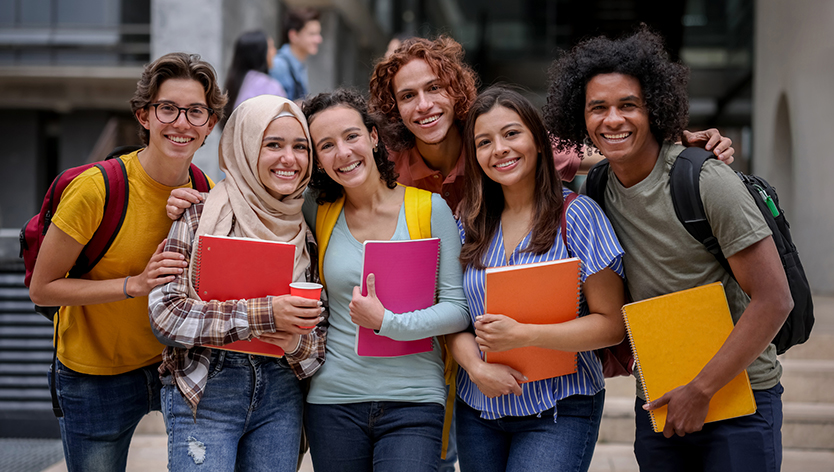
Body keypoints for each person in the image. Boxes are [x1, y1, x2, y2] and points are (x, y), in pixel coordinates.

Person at [544, 27, 792, 472]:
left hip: (737, 398)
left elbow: (775, 299)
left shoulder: (706, 181)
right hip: (659, 397)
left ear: (652, 109)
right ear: (580, 119)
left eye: (628, 106)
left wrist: (702, 390)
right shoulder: (597, 187)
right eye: (597, 108)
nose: (612, 119)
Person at [27, 52, 224, 472]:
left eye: (196, 112)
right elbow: (42, 288)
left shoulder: (205, 189)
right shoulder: (96, 189)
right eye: (168, 108)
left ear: (209, 125)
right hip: (94, 375)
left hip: (173, 367)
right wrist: (132, 284)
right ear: (145, 115)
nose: (182, 122)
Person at [447, 86, 626, 472]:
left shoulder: (578, 216)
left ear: (540, 143)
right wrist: (477, 370)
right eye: (484, 142)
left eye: (512, 133)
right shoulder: (468, 222)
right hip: (479, 406)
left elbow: (611, 325)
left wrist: (526, 335)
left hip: (560, 407)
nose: (499, 149)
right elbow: (451, 316)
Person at [148, 95, 327, 472]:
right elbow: (165, 316)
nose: (289, 159)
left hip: (282, 394)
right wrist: (265, 313)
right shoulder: (198, 215)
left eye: (300, 147)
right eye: (273, 144)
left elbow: (316, 349)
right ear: (244, 147)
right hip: (207, 389)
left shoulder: (306, 231)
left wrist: (295, 342)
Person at [300, 88, 470, 472]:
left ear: (373, 137)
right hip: (332, 403)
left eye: (351, 136)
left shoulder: (430, 209)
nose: (343, 153)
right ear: (317, 160)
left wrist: (388, 323)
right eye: (326, 145)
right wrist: (195, 199)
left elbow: (458, 311)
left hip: (415, 400)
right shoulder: (318, 213)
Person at [368, 36, 735, 213]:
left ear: (457, 91)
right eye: (407, 96)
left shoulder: (500, 144)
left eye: (435, 88)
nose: (425, 105)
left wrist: (678, 144)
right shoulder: (385, 166)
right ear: (393, 107)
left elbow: (602, 148)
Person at [222, 30, 287, 125]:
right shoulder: (270, 86)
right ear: (260, 53)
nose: (274, 52)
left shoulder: (235, 83)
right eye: (271, 47)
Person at [269, 7, 322, 101]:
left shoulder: (299, 66)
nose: (319, 40)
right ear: (293, 36)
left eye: (318, 34)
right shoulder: (278, 65)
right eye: (312, 34)